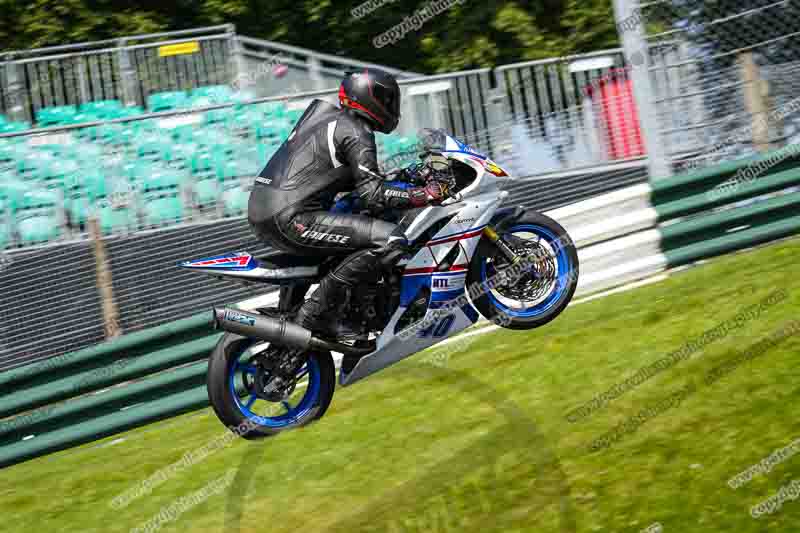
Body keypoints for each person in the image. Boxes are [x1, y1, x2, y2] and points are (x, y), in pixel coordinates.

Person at [247, 69, 450, 340]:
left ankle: (321, 309)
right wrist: (424, 195)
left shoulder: (328, 120)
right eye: (387, 99)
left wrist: (400, 178)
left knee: (353, 223)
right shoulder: (356, 131)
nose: (392, 107)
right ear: (370, 97)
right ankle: (319, 314)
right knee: (389, 240)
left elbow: (341, 177)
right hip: (293, 217)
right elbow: (373, 195)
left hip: (267, 211)